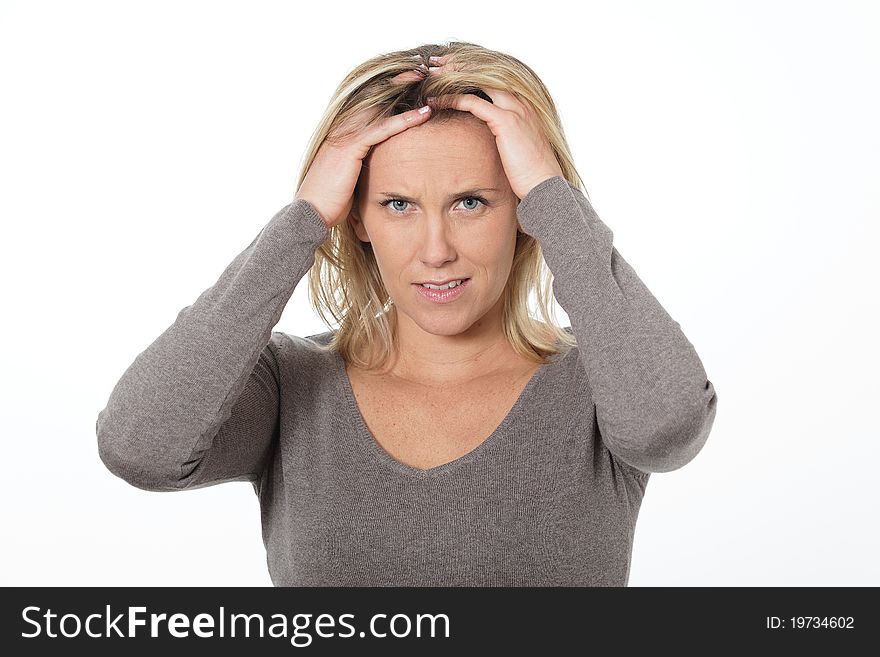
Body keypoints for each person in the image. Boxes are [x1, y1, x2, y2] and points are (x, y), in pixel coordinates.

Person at [96, 41, 718, 586]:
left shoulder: (604, 379)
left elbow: (667, 428)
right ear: (357, 218)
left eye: (471, 202)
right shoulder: (289, 384)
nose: (436, 250)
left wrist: (557, 199)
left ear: (524, 213)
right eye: (398, 205)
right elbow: (139, 447)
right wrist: (302, 219)